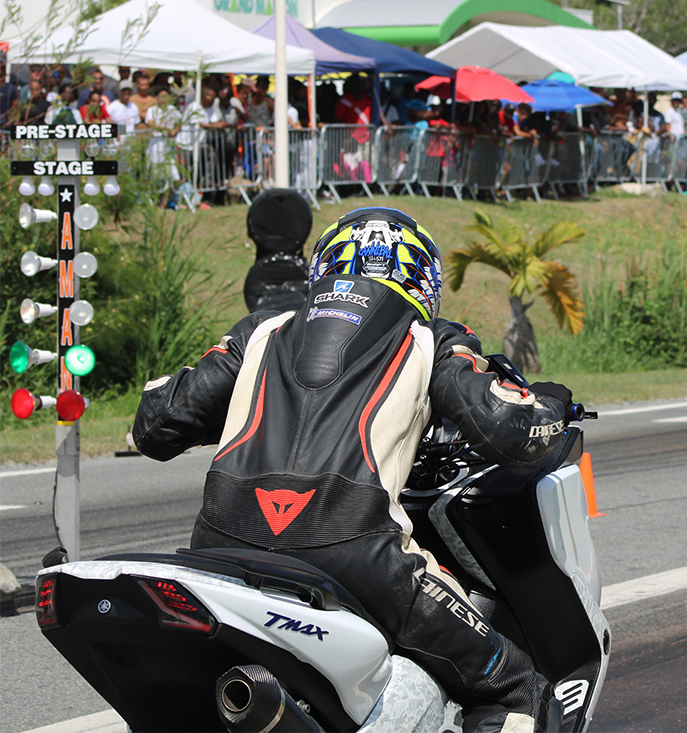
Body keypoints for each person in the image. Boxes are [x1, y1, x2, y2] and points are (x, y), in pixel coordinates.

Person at [133, 207, 569, 733]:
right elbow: (511, 432)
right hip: (354, 551)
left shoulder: (264, 329)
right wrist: (548, 407)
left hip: (220, 546)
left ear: (326, 267)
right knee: (522, 690)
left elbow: (154, 427)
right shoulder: (430, 336)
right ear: (423, 280)